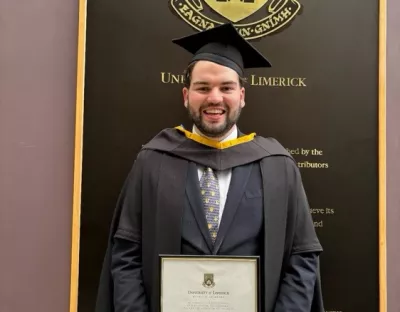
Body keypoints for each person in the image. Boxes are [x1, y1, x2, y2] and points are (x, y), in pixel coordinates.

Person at [95, 23, 324, 312]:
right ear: (186, 95)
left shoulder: (277, 165)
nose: (214, 98)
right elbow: (126, 253)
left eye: (226, 88)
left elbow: (301, 257)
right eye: (203, 87)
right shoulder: (153, 161)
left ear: (241, 95)